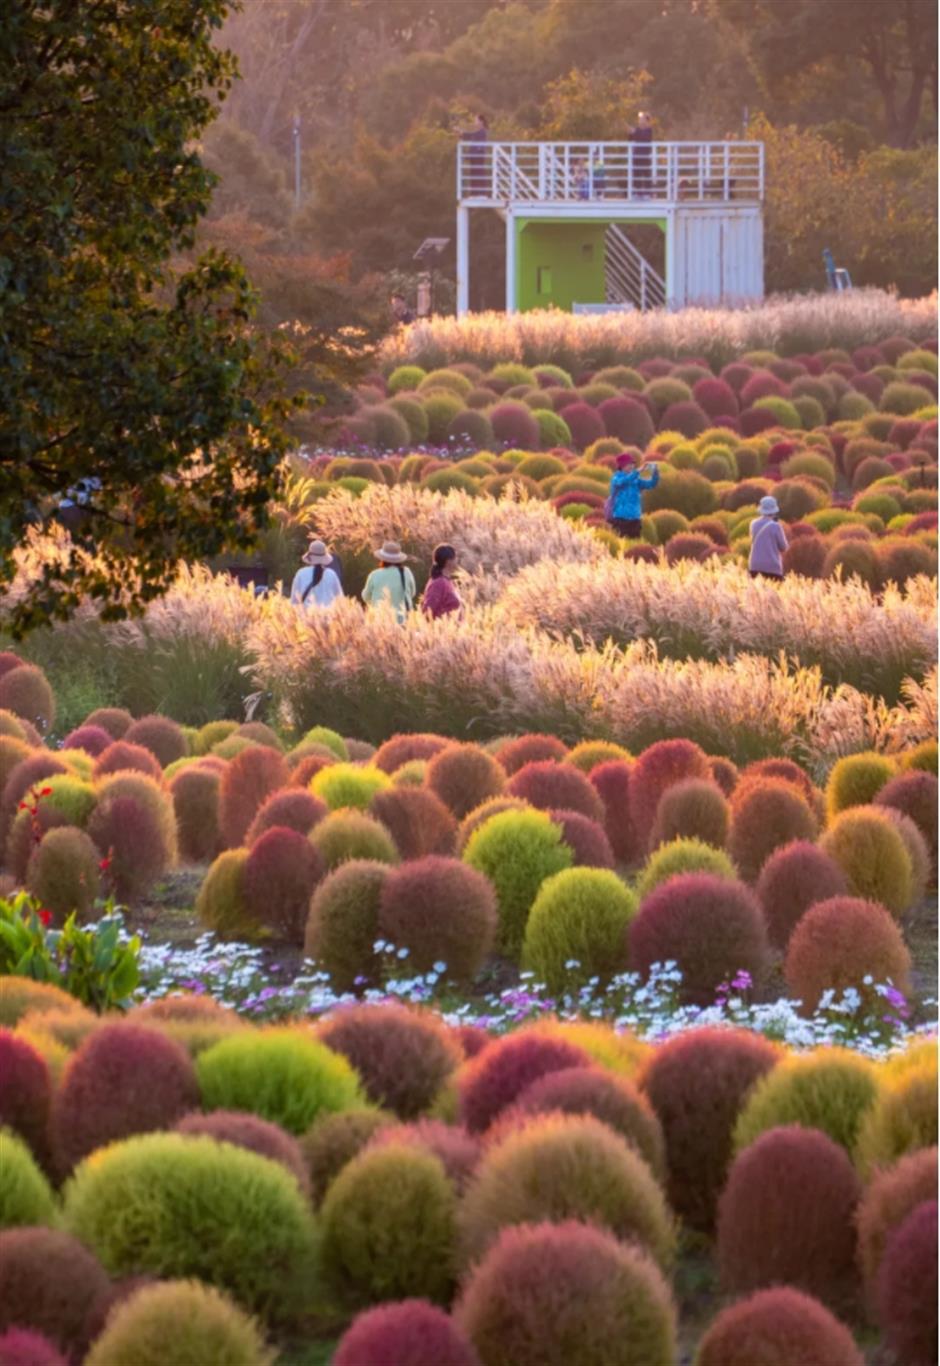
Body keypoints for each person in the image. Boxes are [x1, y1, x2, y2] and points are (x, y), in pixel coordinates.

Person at [606, 451, 660, 539]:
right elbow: (623, 482)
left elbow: (651, 484)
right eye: (629, 464)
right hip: (621, 518)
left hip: (635, 518)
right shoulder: (616, 478)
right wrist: (637, 472)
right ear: (622, 466)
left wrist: (655, 473)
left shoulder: (636, 479)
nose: (632, 466)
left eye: (632, 464)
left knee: (634, 542)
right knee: (621, 544)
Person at [362, 540, 416, 623]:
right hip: (402, 622)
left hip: (379, 623)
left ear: (382, 559)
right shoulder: (406, 572)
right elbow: (412, 593)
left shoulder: (374, 575)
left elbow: (365, 597)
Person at [290, 539, 343, 610]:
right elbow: (340, 599)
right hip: (328, 618)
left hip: (306, 618)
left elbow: (294, 601)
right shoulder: (331, 574)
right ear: (324, 556)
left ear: (309, 556)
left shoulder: (301, 573)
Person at [748, 496, 788, 580]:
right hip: (772, 567)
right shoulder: (776, 526)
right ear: (774, 511)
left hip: (754, 566)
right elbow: (784, 547)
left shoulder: (753, 524)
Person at [422, 543, 461, 619]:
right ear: (448, 561)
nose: (457, 560)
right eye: (455, 557)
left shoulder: (448, 581)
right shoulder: (439, 583)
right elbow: (428, 611)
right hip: (444, 628)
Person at [461, 113, 489, 194]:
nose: (475, 122)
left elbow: (472, 135)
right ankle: (475, 193)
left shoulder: (482, 132)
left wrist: (462, 134)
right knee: (474, 174)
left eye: (476, 120)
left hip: (478, 156)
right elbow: (472, 137)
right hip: (475, 156)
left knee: (478, 174)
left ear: (481, 122)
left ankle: (480, 193)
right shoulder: (480, 132)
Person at [630, 111, 653, 198]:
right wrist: (630, 134)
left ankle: (648, 193)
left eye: (643, 119)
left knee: (646, 173)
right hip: (636, 155)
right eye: (640, 119)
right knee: (636, 173)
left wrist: (635, 132)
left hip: (645, 155)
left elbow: (645, 138)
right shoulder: (637, 130)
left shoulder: (649, 130)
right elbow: (631, 140)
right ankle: (637, 193)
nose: (641, 121)